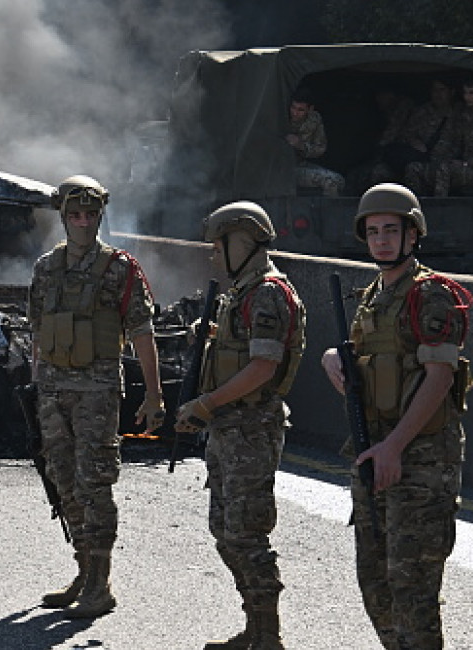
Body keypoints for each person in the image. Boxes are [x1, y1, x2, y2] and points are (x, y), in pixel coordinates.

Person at [321, 183, 473, 649]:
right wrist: (332, 358)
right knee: (377, 587)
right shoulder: (371, 298)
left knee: (413, 593)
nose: (382, 240)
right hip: (374, 453)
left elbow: (440, 378)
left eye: (392, 230)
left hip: (420, 462)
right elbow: (367, 365)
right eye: (373, 232)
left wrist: (394, 447)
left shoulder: (431, 296)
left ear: (413, 235)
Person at [28, 175, 163, 619]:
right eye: (75, 215)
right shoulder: (46, 269)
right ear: (63, 218)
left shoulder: (120, 268)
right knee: (64, 480)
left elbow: (142, 331)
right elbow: (36, 331)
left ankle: (101, 584)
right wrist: (38, 385)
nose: (83, 223)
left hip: (97, 394)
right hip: (54, 393)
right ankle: (84, 572)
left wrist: (154, 394)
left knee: (95, 482)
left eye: (90, 215)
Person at [174, 202, 306, 650]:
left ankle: (268, 635)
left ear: (243, 242)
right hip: (231, 427)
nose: (213, 253)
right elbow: (243, 350)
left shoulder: (268, 293)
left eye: (219, 244)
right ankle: (254, 626)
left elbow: (263, 367)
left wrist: (205, 404)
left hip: (251, 427)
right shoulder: (244, 292)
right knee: (226, 531)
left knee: (246, 532)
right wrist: (213, 337)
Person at [399, 79, 458, 194]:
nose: (438, 94)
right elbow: (405, 134)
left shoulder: (461, 113)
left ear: (452, 92)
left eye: (442, 90)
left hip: (452, 164)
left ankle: (441, 209)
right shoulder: (422, 112)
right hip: (427, 162)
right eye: (435, 90)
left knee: (443, 170)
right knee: (412, 169)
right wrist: (414, 142)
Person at [285, 88, 344, 197]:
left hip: (300, 164)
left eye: (300, 110)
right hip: (281, 169)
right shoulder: (280, 117)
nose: (295, 113)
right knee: (330, 181)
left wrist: (301, 146)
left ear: (310, 109)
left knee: (338, 180)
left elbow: (320, 148)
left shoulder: (314, 119)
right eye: (293, 108)